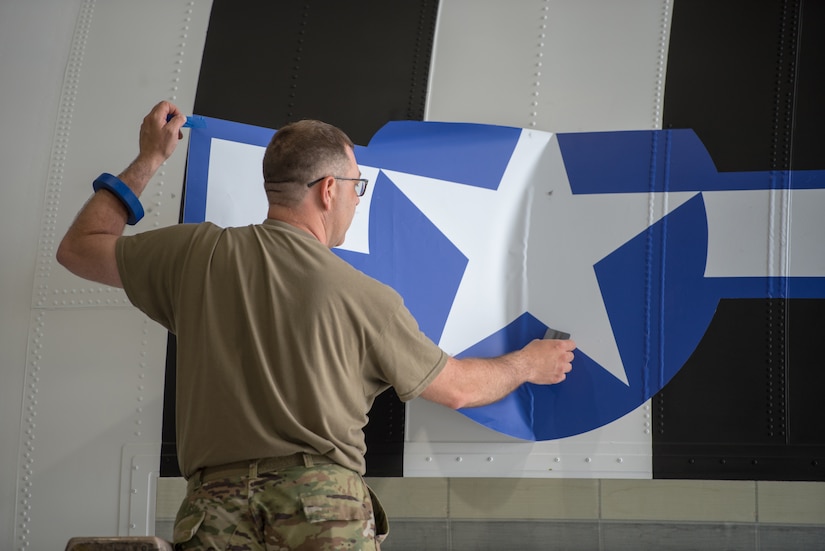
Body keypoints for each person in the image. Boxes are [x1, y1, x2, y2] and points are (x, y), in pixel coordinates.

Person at [57, 101, 575, 550]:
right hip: (322, 512)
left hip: (214, 513)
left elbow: (80, 248)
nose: (356, 199)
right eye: (357, 187)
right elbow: (458, 389)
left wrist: (149, 158)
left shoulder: (196, 255)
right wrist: (529, 363)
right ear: (329, 190)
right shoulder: (366, 297)